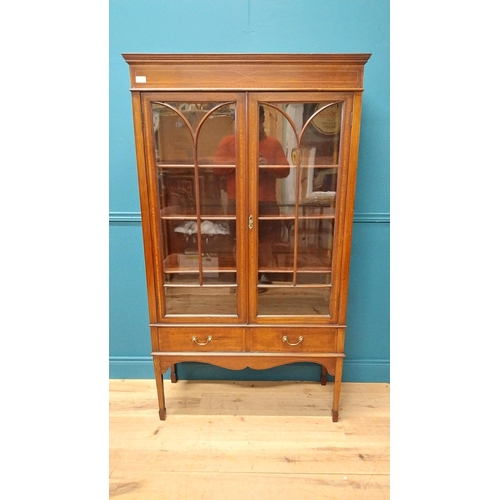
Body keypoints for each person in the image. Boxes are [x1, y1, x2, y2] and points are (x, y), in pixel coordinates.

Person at [213, 106, 290, 288]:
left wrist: (266, 164)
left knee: (265, 242)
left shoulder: (273, 143)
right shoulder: (228, 142)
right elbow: (216, 168)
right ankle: (241, 276)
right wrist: (239, 160)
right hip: (237, 201)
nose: (247, 125)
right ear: (236, 122)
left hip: (266, 202)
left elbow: (285, 170)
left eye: (254, 120)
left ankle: (262, 275)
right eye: (242, 120)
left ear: (261, 120)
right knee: (238, 240)